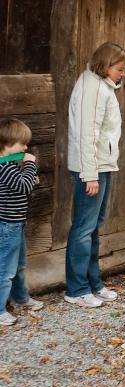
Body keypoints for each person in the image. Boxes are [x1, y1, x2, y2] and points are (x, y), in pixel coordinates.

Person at [65, 42, 125, 308]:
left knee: (93, 227)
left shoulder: (102, 86)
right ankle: (77, 289)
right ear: (105, 66)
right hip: (90, 169)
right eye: (119, 69)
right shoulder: (92, 89)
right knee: (83, 228)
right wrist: (89, 174)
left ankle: (93, 283)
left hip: (102, 165)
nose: (123, 74)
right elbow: (86, 134)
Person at [0, 118, 44, 325]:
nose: (26, 147)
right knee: (5, 269)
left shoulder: (8, 165)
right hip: (8, 225)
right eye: (22, 143)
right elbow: (24, 186)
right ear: (6, 144)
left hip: (16, 223)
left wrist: (27, 176)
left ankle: (20, 297)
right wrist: (30, 165)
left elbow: (20, 184)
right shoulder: (5, 167)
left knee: (18, 265)